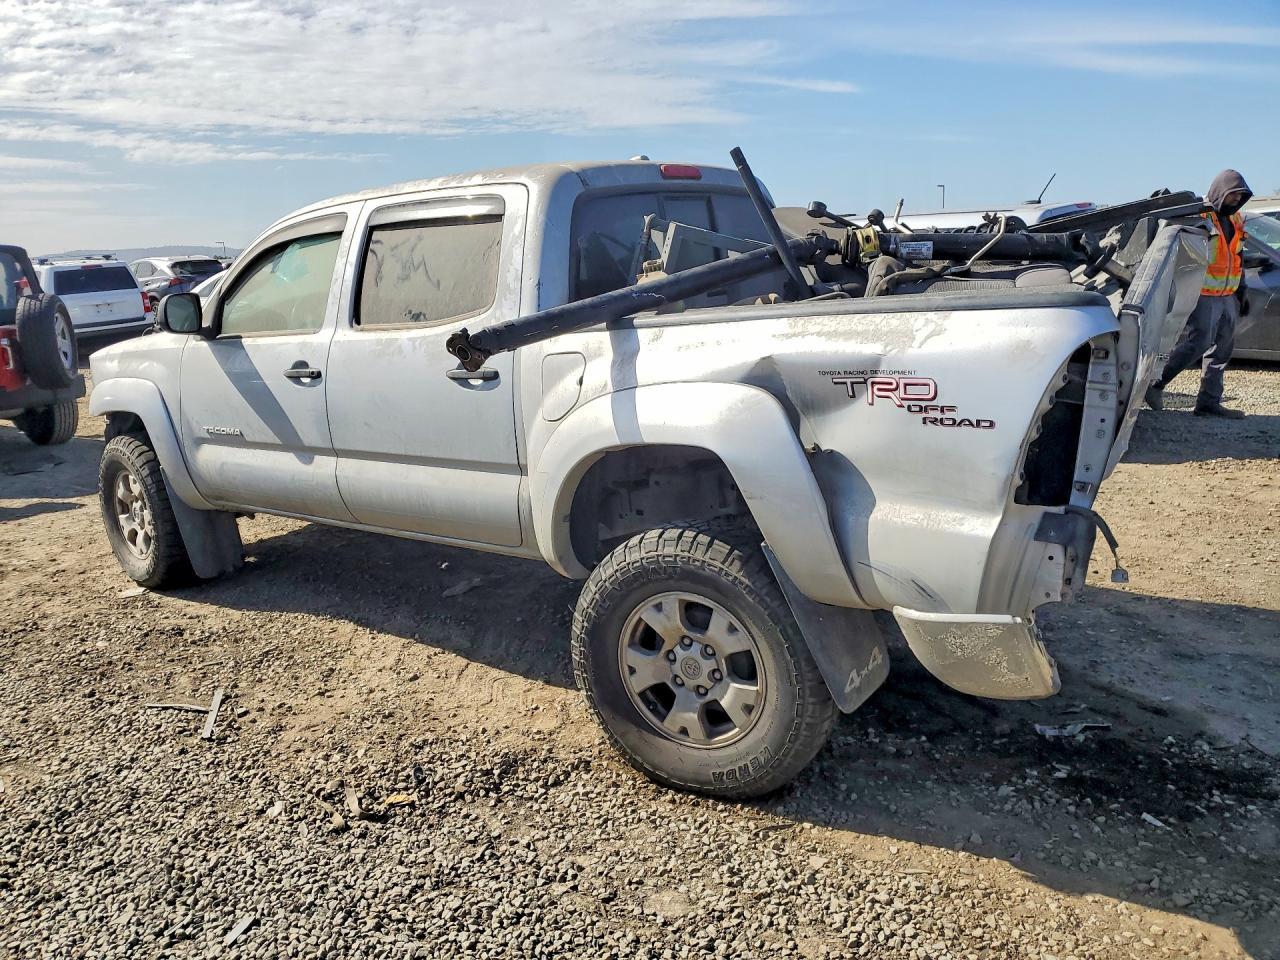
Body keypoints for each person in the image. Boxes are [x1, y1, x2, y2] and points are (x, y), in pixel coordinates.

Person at [1145, 169, 1252, 418]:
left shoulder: (1236, 220)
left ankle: (1208, 403)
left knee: (1223, 348)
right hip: (1202, 292)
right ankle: (1156, 384)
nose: (1236, 200)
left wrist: (1242, 290)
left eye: (1240, 197)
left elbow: (1238, 255)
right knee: (1200, 342)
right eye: (1233, 195)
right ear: (1220, 191)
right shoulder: (1200, 215)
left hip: (1228, 293)